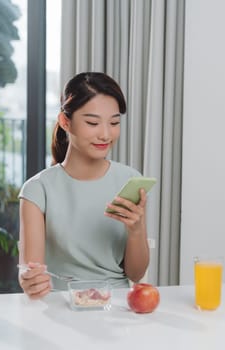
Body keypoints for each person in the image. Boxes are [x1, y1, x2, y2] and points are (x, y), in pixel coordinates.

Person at [18, 72, 150, 299]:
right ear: (65, 122)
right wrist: (30, 280)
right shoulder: (38, 190)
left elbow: (136, 274)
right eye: (92, 122)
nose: (106, 134)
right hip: (60, 303)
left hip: (115, 304)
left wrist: (136, 230)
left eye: (114, 122)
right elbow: (31, 270)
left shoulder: (130, 181)